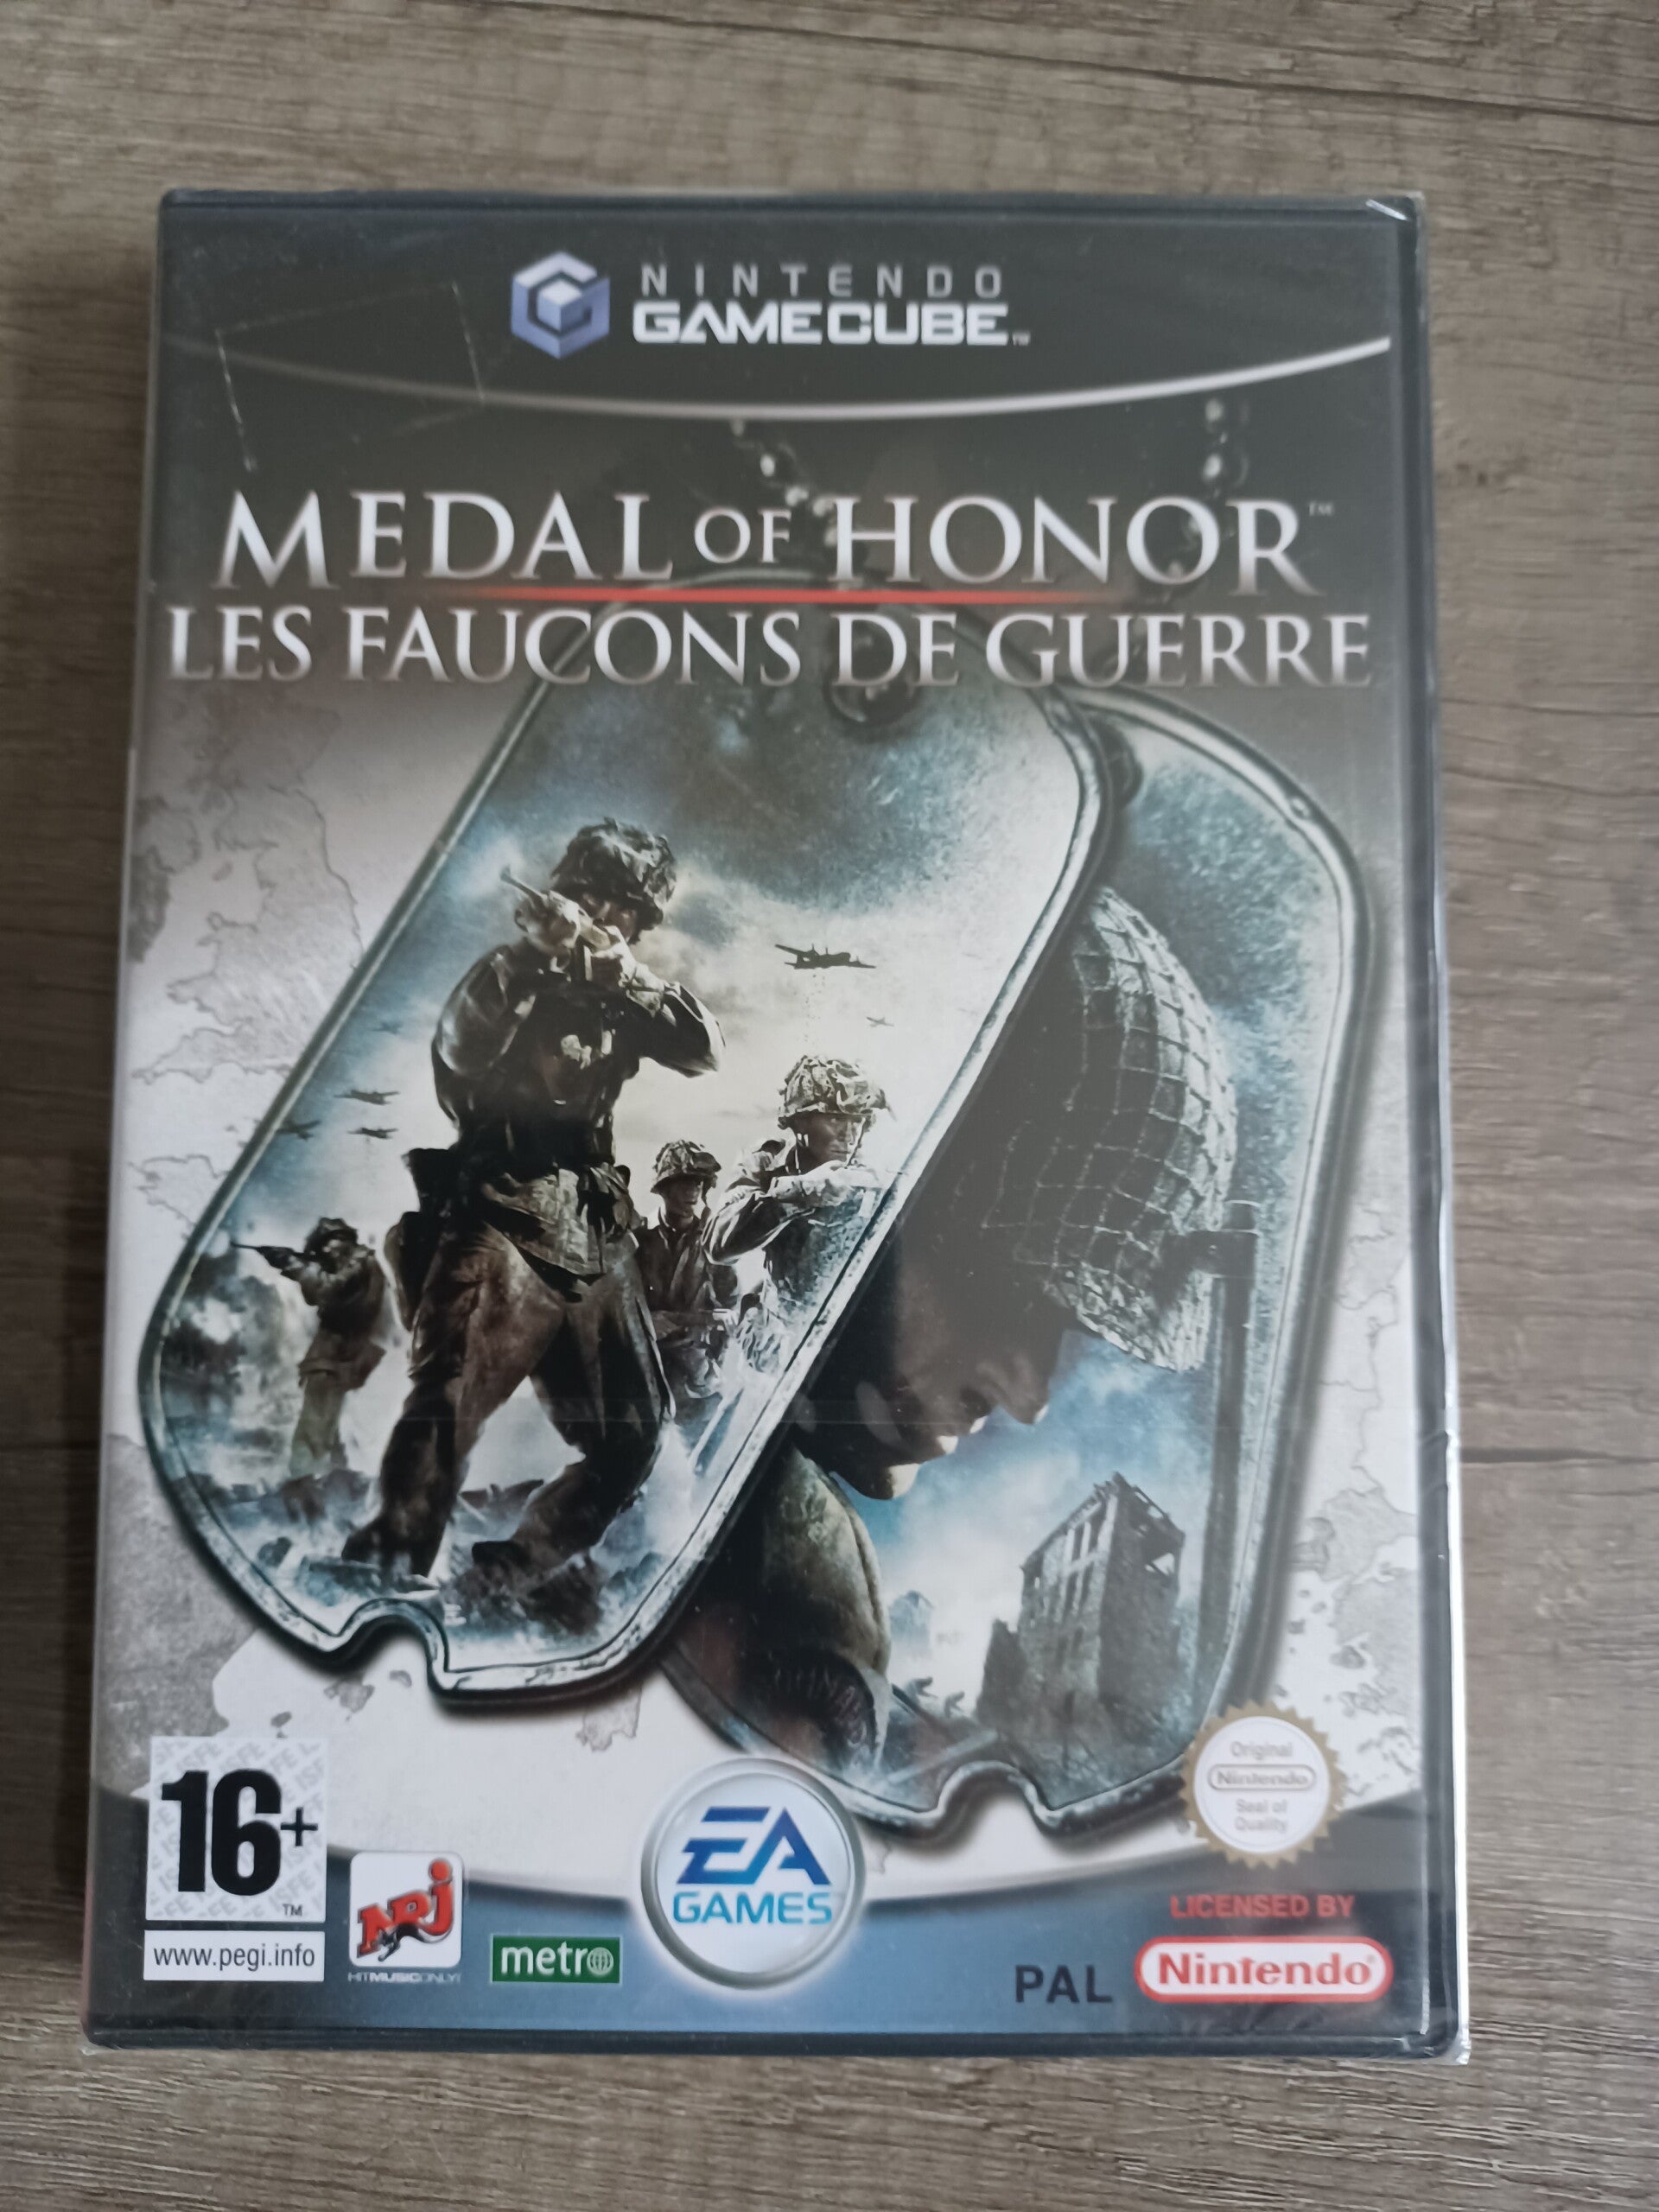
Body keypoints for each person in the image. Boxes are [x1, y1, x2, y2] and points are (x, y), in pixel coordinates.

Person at [671, 886, 1238, 1769]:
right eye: (1002, 1290)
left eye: (1059, 1331)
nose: (1026, 1397)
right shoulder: (777, 1554)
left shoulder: (808, 1557)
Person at [342, 819, 721, 1586]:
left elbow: (703, 1048)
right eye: (596, 900)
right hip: (502, 1210)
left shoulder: (620, 991)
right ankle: (384, 1572)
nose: (610, 918)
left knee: (635, 1435)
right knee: (448, 1406)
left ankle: (507, 1576)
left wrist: (626, 976)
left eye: (627, 910)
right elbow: (457, 1051)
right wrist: (527, 957)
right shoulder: (513, 974)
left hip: (594, 1228)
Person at [706, 1054, 887, 1374]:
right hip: (774, 1343)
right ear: (801, 1121)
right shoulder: (766, 1163)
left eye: (858, 1121)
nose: (849, 1135)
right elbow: (718, 1244)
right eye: (836, 1119)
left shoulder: (870, 1174)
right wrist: (799, 1193)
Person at [246, 1219, 390, 1493]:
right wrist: (293, 1266)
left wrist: (295, 1264)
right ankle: (331, 1483)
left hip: (335, 1354)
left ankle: (303, 1482)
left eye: (328, 1242)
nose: (325, 1250)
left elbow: (326, 1292)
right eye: (321, 1247)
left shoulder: (358, 1261)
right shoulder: (360, 1263)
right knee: (327, 1422)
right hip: (342, 1355)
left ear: (344, 1239)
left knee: (315, 1422)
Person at [634, 1140, 738, 1414]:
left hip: (696, 1365)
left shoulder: (713, 1240)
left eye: (699, 1183)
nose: (693, 1191)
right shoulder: (637, 1238)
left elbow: (730, 1303)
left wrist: (716, 1354)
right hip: (645, 1360)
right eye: (684, 1183)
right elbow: (618, 1304)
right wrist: (646, 1322)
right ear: (664, 1187)